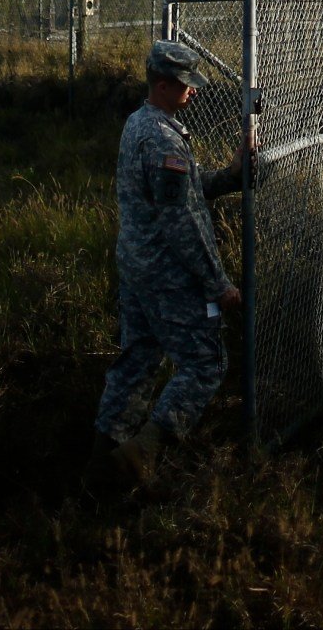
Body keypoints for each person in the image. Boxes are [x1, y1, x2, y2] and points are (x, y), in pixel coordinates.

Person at [87, 39, 245, 487]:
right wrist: (217, 284)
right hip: (166, 275)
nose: (192, 91)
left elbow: (185, 192)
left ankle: (100, 467)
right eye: (184, 84)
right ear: (162, 85)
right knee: (205, 364)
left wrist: (231, 178)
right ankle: (142, 454)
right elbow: (181, 222)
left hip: (137, 267)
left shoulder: (140, 124)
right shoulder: (161, 139)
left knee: (136, 360)